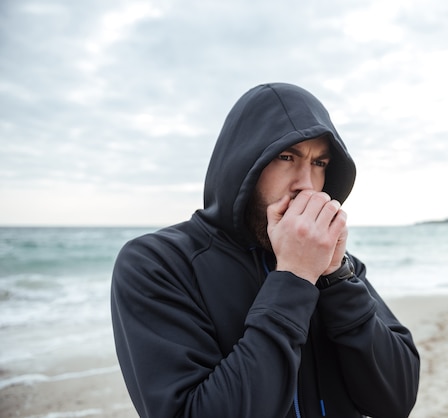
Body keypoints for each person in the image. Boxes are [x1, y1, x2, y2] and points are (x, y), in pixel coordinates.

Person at [111, 82, 420, 418]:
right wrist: (295, 277)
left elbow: (396, 400)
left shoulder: (336, 265)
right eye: (286, 157)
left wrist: (336, 278)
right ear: (243, 164)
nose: (306, 183)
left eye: (319, 163)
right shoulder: (158, 264)